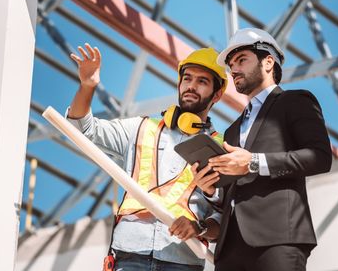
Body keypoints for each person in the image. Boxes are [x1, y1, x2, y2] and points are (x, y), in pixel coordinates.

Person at [66, 43, 228, 271]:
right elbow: (82, 130)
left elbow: (224, 218)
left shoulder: (221, 148)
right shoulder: (140, 128)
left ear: (217, 94)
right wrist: (87, 86)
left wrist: (199, 227)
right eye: (187, 78)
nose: (191, 86)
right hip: (128, 253)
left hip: (182, 260)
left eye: (202, 81)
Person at [192, 28, 332, 271]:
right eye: (231, 64)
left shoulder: (295, 101)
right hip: (229, 248)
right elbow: (230, 193)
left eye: (241, 60)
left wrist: (253, 162)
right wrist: (210, 190)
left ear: (268, 62)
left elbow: (320, 157)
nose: (234, 69)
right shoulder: (233, 129)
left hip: (278, 239)